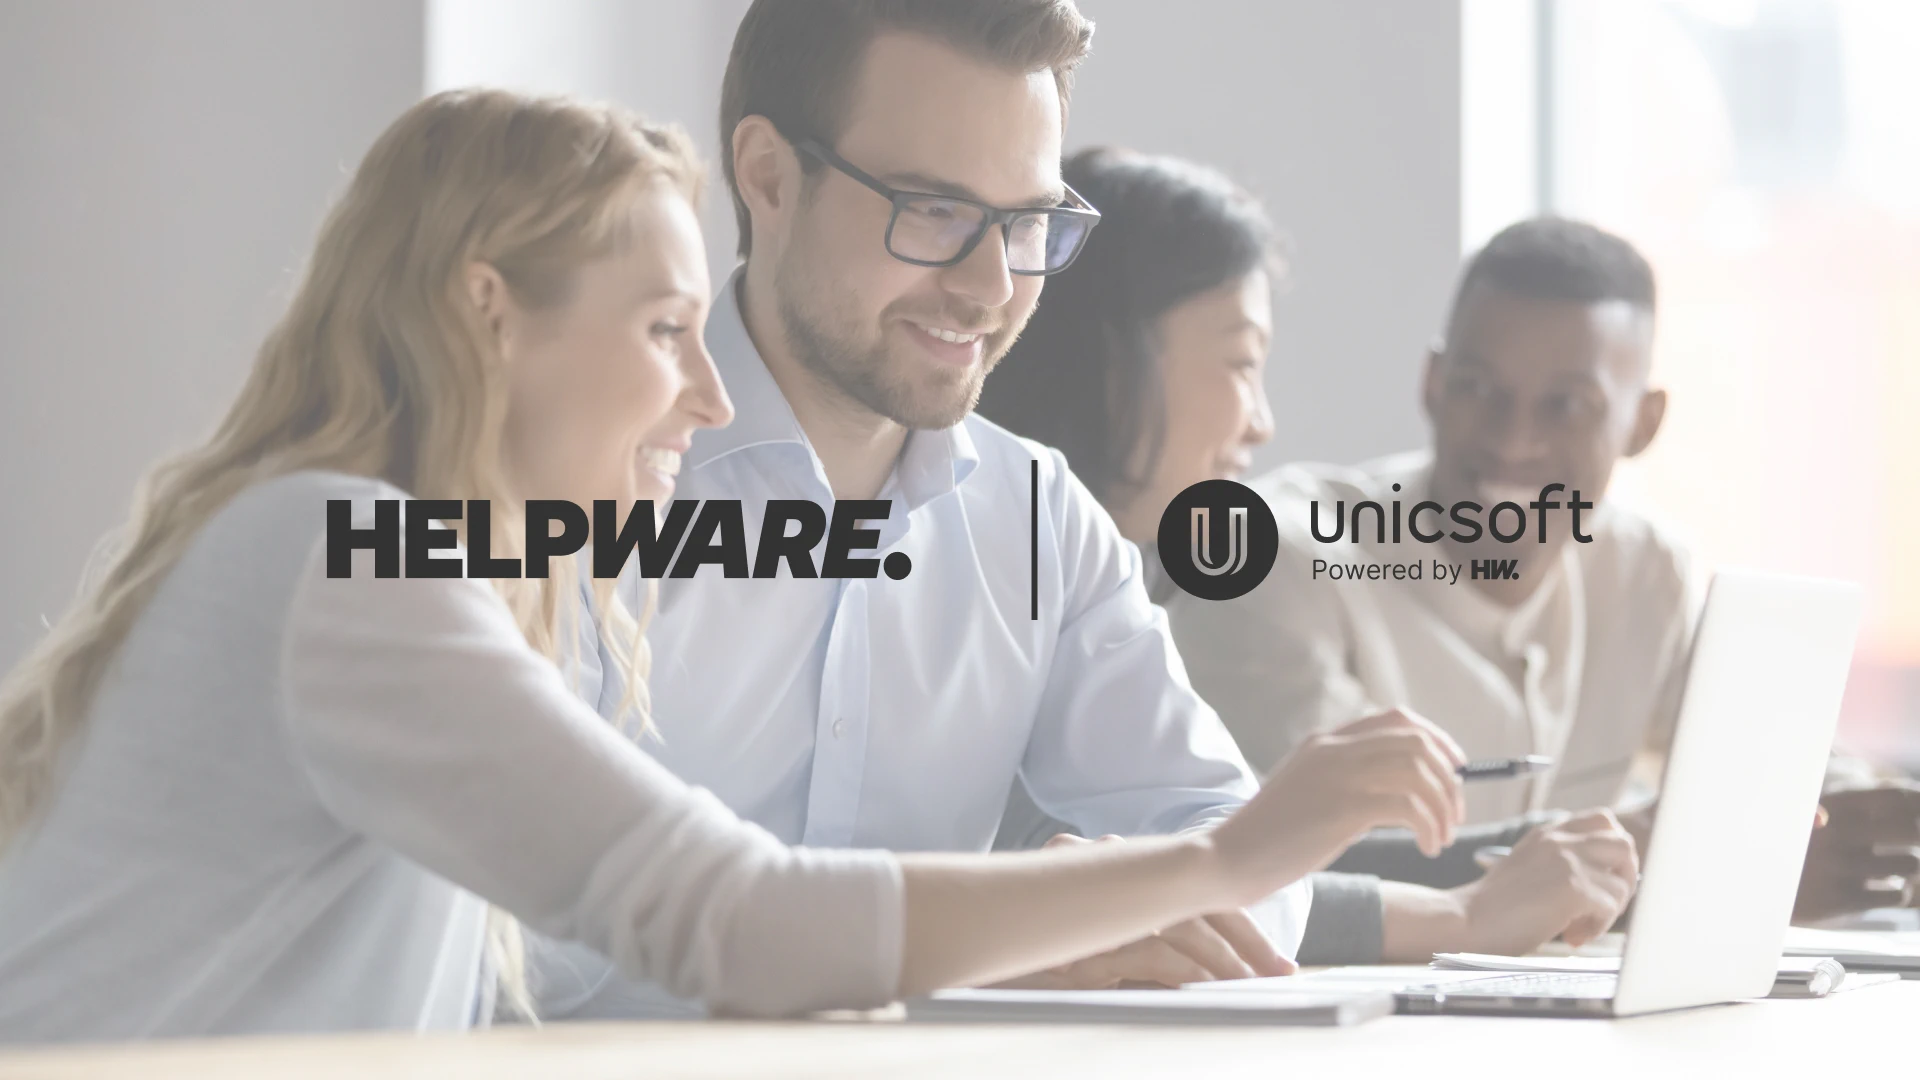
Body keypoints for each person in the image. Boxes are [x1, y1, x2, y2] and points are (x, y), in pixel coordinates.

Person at [0, 89, 1471, 1043]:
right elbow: (740, 919)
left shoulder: (414, 563)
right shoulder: (342, 560)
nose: (710, 400)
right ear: (487, 314)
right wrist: (1228, 857)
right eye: (661, 331)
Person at [517, 0, 1396, 1014]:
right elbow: (510, 948)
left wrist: (1099, 912)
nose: (989, 286)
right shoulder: (567, 489)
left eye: (1026, 222)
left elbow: (1234, 845)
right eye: (931, 210)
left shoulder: (1037, 519)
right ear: (767, 177)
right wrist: (982, 939)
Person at [980, 148, 1640, 965]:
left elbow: (1208, 862)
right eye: (1243, 363)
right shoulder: (982, 571)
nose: (1262, 422)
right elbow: (1175, 876)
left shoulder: (1113, 581)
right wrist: (1465, 916)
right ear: (1116, 357)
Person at [1163, 215, 1920, 922]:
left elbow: (1783, 759)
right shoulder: (1272, 562)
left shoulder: (1644, 574)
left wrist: (1854, 827)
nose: (1511, 440)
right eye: (1477, 389)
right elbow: (1339, 864)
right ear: (1432, 383)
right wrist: (1714, 864)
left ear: (1643, 423)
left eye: (1567, 406)